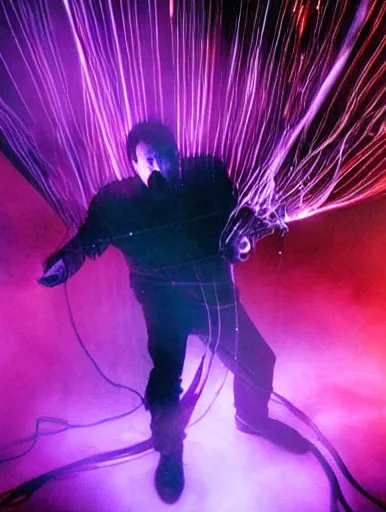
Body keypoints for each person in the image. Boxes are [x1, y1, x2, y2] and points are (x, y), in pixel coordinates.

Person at [38, 121, 308, 504]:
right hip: (164, 300)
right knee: (165, 381)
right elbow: (88, 239)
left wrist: (245, 238)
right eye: (151, 159)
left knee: (259, 360)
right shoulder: (117, 200)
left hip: (213, 292)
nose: (163, 164)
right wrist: (63, 263)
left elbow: (237, 222)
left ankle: (251, 419)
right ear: (133, 164)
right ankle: (169, 451)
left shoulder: (208, 175)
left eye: (168, 154)